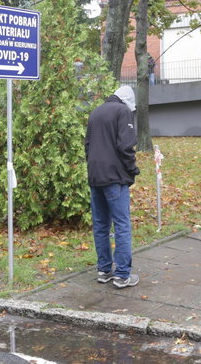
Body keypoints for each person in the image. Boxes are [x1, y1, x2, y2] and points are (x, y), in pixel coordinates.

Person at [85, 85, 141, 289]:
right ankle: (123, 275)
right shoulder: (122, 111)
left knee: (100, 225)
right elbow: (126, 146)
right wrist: (132, 169)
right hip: (115, 177)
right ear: (127, 101)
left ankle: (104, 270)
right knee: (122, 225)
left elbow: (88, 145)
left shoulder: (96, 111)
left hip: (95, 176)